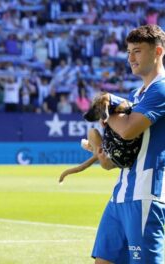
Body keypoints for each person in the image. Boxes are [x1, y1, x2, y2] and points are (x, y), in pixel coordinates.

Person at [92, 24, 165, 264]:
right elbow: (123, 152)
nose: (131, 58)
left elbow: (127, 130)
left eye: (138, 51)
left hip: (145, 194)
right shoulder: (134, 96)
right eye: (128, 51)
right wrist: (107, 159)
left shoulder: (162, 89)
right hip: (120, 195)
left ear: (158, 52)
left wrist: (106, 107)